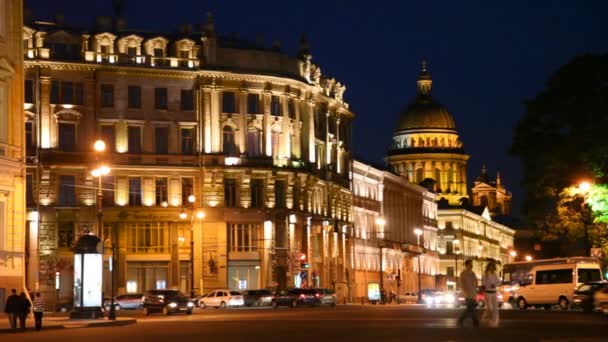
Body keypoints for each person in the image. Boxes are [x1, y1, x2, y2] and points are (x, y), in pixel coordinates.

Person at [457, 259, 479, 328]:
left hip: (473, 293)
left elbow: (476, 282)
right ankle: (475, 320)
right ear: (467, 265)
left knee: (470, 308)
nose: (471, 265)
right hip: (467, 293)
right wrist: (464, 290)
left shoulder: (473, 273)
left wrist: (476, 289)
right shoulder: (463, 273)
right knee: (470, 307)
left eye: (472, 264)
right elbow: (460, 283)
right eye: (470, 264)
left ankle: (461, 319)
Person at [482, 261, 500, 327]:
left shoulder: (495, 274)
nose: (492, 268)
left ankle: (494, 322)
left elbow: (499, 282)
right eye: (490, 267)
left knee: (495, 308)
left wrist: (494, 285)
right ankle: (485, 317)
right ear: (488, 267)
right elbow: (483, 283)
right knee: (489, 307)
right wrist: (485, 286)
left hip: (494, 292)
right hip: (487, 292)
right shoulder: (485, 274)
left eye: (493, 267)